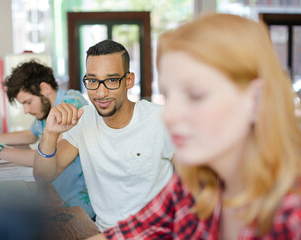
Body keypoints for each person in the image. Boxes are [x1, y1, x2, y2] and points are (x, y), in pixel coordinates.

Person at [88, 13, 301, 239]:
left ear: (257, 100)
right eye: (168, 96)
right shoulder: (196, 184)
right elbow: (126, 233)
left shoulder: (292, 214)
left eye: (195, 95)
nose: (169, 115)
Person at [33, 40, 174, 231]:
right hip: (104, 231)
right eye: (93, 81)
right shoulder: (85, 120)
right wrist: (50, 134)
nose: (101, 92)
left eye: (112, 80)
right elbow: (44, 175)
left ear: (129, 81)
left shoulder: (161, 120)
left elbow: (196, 188)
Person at [0, 60, 95, 218]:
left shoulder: (70, 105)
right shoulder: (45, 111)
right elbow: (31, 134)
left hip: (77, 211)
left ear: (44, 88)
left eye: (28, 102)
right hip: (56, 201)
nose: (26, 110)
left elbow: (46, 157)